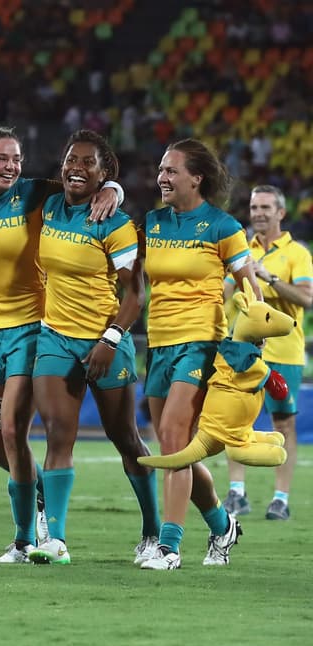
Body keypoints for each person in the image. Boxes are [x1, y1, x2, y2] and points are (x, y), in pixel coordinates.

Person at [0, 119, 121, 554]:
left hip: (32, 329)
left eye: (17, 159)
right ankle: (41, 492)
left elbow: (81, 183)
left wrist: (112, 190)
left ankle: (24, 539)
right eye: (2, 159)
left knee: (12, 432)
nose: (11, 166)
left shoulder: (35, 193)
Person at [24, 130, 159, 566]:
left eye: (88, 163)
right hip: (55, 338)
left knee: (126, 439)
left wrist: (110, 339)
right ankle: (57, 540)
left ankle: (153, 531)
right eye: (70, 159)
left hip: (107, 339)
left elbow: (136, 296)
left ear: (105, 174)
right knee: (57, 435)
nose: (76, 167)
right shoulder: (47, 206)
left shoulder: (116, 225)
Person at [140, 138, 259, 570]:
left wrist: (248, 340)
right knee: (178, 448)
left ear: (197, 178)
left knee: (173, 441)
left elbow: (250, 286)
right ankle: (222, 525)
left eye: (171, 171)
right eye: (160, 170)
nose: (162, 178)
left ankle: (168, 548)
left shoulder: (221, 226)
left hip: (200, 342)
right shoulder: (152, 221)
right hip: (158, 344)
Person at [223, 185, 311, 522]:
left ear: (280, 213)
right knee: (233, 419)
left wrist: (267, 276)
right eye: (254, 206)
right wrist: (236, 275)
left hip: (284, 351)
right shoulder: (241, 248)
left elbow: (307, 298)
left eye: (265, 207)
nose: (258, 212)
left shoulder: (297, 254)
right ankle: (236, 493)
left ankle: (280, 498)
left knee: (283, 423)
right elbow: (227, 294)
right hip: (244, 349)